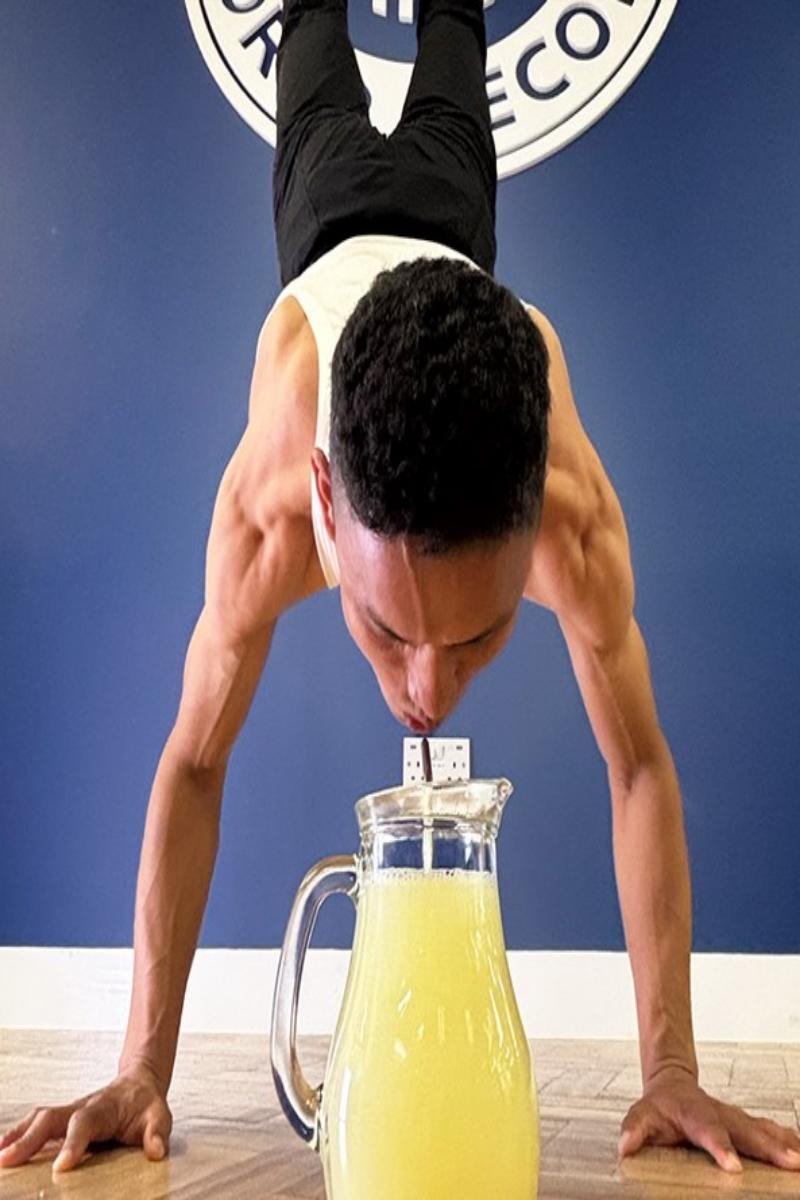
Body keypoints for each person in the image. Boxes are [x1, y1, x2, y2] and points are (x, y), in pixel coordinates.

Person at [2, 0, 799, 1181]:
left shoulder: (571, 523)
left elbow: (637, 766)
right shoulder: (264, 514)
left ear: (532, 523)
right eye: (382, 625)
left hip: (453, 229)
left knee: (452, 35)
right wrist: (142, 1071)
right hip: (323, 207)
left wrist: (668, 1067)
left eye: (476, 637)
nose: (427, 689)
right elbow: (191, 762)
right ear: (326, 502)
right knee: (313, 35)